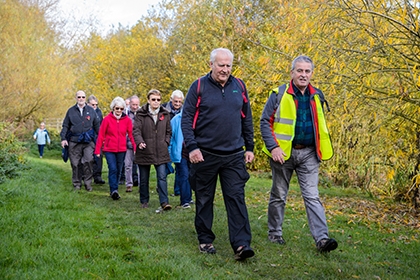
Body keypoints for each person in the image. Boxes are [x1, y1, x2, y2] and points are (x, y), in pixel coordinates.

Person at [181, 48, 255, 261]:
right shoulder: (198, 86)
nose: (225, 69)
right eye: (221, 65)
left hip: (233, 155)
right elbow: (186, 119)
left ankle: (242, 244)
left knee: (236, 198)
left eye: (228, 65)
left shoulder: (239, 86)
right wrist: (193, 147)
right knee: (204, 199)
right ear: (211, 64)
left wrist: (249, 147)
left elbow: (246, 118)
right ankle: (205, 240)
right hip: (204, 155)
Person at [260, 55, 337, 253]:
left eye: (307, 71)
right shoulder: (278, 93)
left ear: (312, 73)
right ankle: (275, 233)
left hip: (310, 154)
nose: (303, 75)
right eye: (300, 71)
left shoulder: (317, 95)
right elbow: (264, 122)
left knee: (312, 196)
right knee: (279, 196)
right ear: (292, 72)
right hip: (283, 154)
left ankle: (322, 239)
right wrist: (274, 147)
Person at [134, 89, 172, 211]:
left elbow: (169, 131)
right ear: (148, 100)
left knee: (162, 177)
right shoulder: (141, 114)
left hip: (161, 150)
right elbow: (136, 130)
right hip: (145, 150)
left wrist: (165, 142)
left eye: (158, 100)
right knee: (144, 179)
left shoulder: (165, 114)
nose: (156, 102)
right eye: (153, 99)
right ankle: (144, 201)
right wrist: (139, 142)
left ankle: (164, 202)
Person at [94, 97, 136, 200]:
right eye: (117, 108)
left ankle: (115, 188)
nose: (119, 111)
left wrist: (135, 147)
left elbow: (131, 135)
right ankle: (114, 190)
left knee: (118, 170)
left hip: (121, 149)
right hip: (109, 149)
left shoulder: (127, 120)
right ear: (113, 108)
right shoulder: (107, 119)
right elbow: (101, 135)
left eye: (121, 109)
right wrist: (97, 150)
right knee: (112, 169)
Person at [60, 90, 100, 191]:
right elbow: (65, 125)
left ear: (85, 98)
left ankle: (88, 183)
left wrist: (100, 140)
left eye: (83, 97)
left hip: (88, 141)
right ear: (76, 98)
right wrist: (63, 138)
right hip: (74, 140)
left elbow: (97, 126)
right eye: (79, 97)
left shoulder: (91, 110)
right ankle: (77, 183)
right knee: (75, 163)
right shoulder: (70, 111)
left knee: (88, 160)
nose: (81, 99)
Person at [168, 108, 193, 209]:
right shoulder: (176, 119)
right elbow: (170, 136)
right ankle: (185, 201)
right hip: (180, 152)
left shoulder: (196, 118)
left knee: (191, 175)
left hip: (192, 151)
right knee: (184, 175)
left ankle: (189, 197)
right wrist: (169, 152)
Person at [163, 89, 185, 197]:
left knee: (180, 166)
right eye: (175, 101)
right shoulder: (163, 110)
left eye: (180, 102)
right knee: (166, 166)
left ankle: (178, 189)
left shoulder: (183, 114)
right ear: (171, 100)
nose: (177, 104)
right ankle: (161, 184)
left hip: (178, 142)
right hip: (164, 140)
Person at [87, 95, 105, 185]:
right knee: (87, 157)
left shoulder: (99, 112)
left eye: (96, 105)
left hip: (97, 137)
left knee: (99, 156)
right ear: (88, 104)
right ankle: (86, 175)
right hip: (87, 137)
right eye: (93, 104)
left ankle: (97, 176)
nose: (94, 106)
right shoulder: (85, 112)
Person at [124, 95, 140, 192]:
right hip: (127, 143)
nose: (135, 107)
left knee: (140, 165)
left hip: (138, 142)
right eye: (133, 104)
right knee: (128, 165)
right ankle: (128, 184)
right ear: (129, 103)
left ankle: (140, 184)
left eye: (136, 105)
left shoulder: (142, 113)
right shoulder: (125, 113)